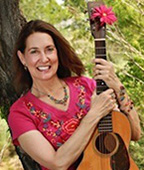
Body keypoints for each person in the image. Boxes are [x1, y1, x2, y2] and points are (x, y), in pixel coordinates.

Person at [8, 20, 141, 170]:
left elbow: (136, 133)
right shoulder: (21, 113)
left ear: (57, 52)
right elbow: (58, 163)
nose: (44, 58)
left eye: (49, 49)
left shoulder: (87, 86)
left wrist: (117, 85)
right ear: (22, 58)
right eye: (34, 52)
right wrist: (94, 114)